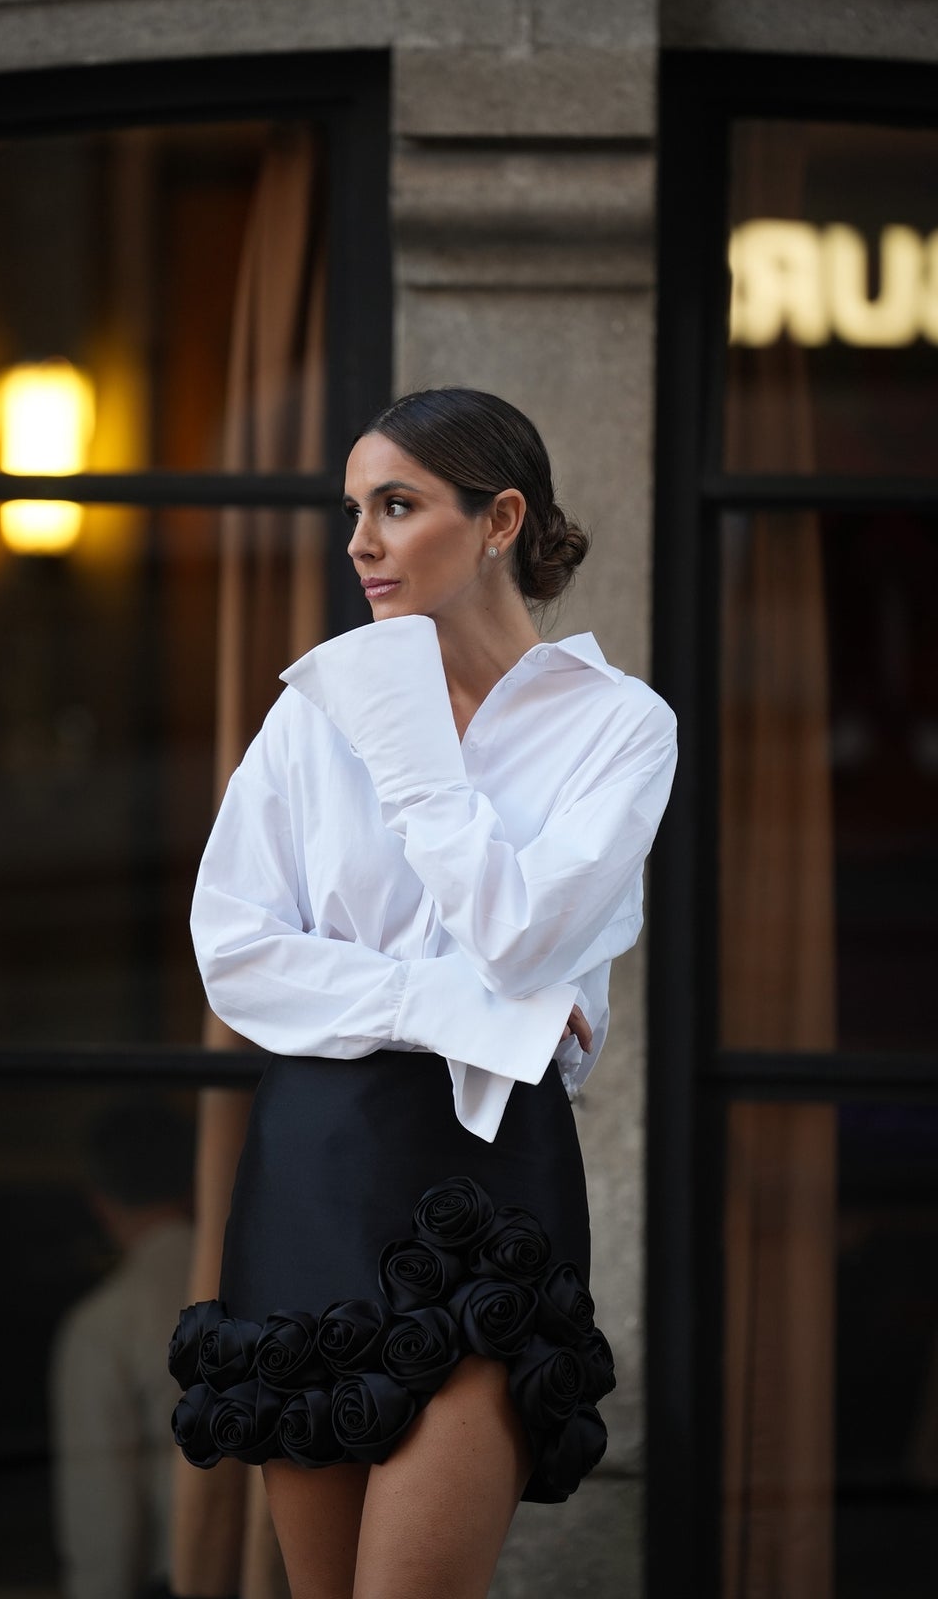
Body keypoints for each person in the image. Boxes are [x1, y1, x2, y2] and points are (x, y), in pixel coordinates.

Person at [168, 387, 677, 1599]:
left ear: (501, 519)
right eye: (354, 509)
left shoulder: (619, 728)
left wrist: (407, 747)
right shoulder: (312, 713)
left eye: (396, 506)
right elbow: (234, 952)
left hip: (487, 1179)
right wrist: (471, 1013)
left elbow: (516, 930)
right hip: (313, 1165)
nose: (360, 542)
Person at [52, 1101, 195, 1599]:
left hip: (175, 1578)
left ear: (98, 1199)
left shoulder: (102, 1325)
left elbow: (102, 1515)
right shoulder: (261, 1286)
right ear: (192, 1183)